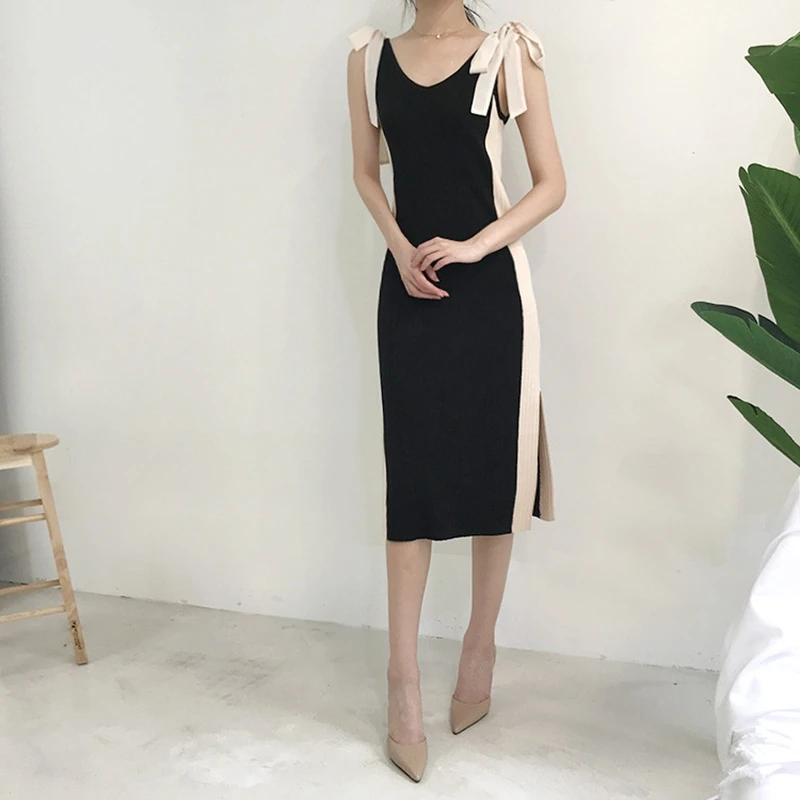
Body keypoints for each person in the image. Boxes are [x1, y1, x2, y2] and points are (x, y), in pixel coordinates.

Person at [346, 0, 566, 782]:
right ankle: (402, 680)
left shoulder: (508, 52)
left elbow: (551, 184)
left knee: (490, 472)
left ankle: (480, 645)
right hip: (409, 291)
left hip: (490, 298)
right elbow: (366, 171)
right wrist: (400, 246)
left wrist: (476, 246)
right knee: (410, 484)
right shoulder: (369, 57)